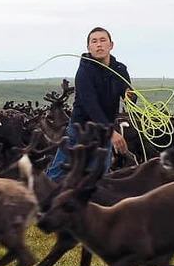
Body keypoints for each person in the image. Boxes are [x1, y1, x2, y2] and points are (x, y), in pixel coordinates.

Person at [46, 26, 134, 181]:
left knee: (97, 180)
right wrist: (110, 132)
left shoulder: (120, 69)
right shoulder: (84, 71)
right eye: (94, 41)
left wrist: (130, 97)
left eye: (102, 40)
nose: (99, 44)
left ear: (111, 45)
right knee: (56, 175)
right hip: (81, 130)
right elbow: (90, 104)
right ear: (89, 47)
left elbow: (129, 95)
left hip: (103, 134)